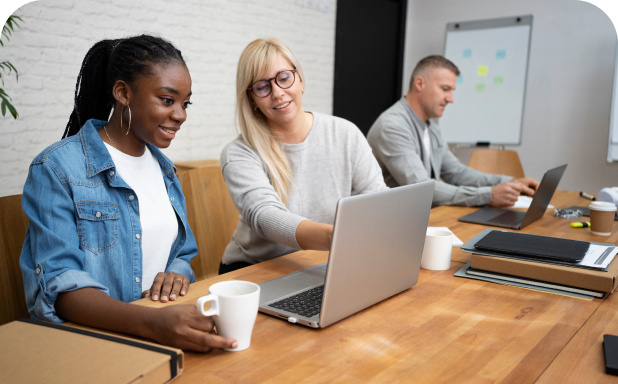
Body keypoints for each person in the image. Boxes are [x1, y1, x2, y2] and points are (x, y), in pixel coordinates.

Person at [19, 35, 237, 352]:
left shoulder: (166, 171)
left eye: (185, 103)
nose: (181, 115)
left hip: (159, 335)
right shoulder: (56, 168)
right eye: (167, 100)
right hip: (91, 346)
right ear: (123, 93)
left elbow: (182, 253)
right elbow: (59, 286)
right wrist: (151, 324)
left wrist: (176, 274)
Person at [219, 38, 386, 273]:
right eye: (262, 87)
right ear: (252, 100)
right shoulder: (239, 153)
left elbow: (377, 200)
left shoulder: (345, 133)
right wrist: (336, 236)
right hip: (254, 269)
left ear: (301, 81)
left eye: (284, 78)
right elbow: (267, 218)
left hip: (323, 261)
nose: (277, 93)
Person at [366, 55, 539, 207]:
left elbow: (457, 173)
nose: (451, 99)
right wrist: (488, 196)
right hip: (391, 224)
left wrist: (510, 182)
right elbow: (422, 188)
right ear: (420, 83)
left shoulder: (431, 128)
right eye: (445, 89)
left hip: (417, 217)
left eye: (452, 91)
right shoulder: (392, 126)